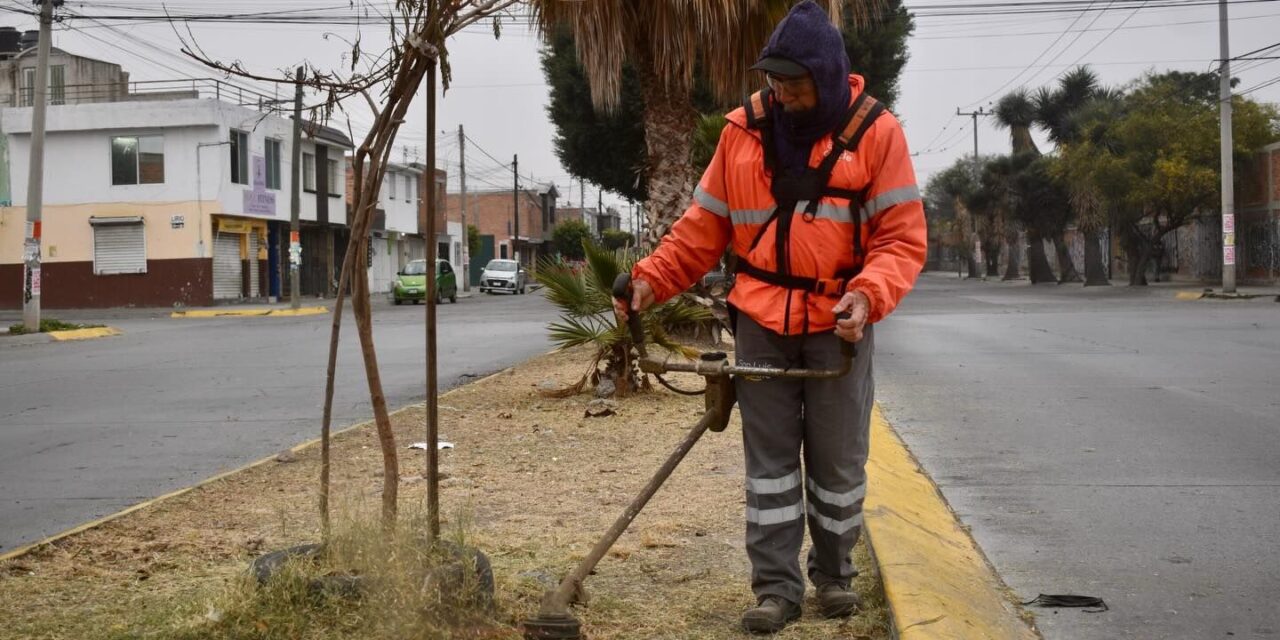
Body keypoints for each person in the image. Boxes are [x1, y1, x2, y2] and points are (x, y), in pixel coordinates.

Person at [613, 1, 927, 633]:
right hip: (760, 320)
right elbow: (701, 229)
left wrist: (867, 296)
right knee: (771, 466)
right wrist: (650, 280)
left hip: (838, 325)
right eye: (774, 81)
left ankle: (834, 575)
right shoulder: (743, 131)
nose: (782, 93)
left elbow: (900, 239)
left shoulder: (877, 133)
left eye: (794, 82)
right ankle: (776, 590)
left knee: (838, 462)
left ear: (827, 76)